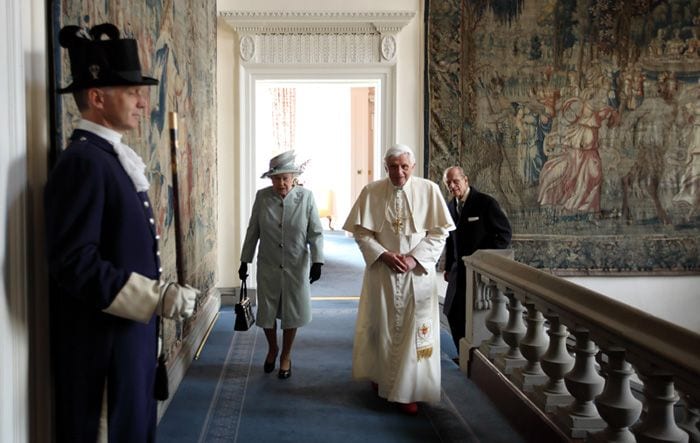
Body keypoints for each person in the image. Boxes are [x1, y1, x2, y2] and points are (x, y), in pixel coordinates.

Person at [45, 23, 199, 442]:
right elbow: (73, 262)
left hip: (128, 340)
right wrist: (157, 296)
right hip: (101, 350)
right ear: (97, 97)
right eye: (131, 92)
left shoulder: (108, 159)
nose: (143, 101)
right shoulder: (84, 163)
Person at [342, 144, 454, 415]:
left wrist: (414, 258)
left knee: (415, 333)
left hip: (417, 275)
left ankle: (408, 391)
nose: (399, 172)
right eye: (393, 166)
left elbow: (439, 233)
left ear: (412, 167)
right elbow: (362, 233)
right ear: (386, 167)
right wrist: (383, 254)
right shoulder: (371, 192)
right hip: (383, 274)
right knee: (380, 326)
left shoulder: (429, 190)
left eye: (404, 166)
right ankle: (380, 376)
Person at [239, 150, 324, 379]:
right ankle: (272, 348)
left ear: (293, 177)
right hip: (268, 264)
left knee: (291, 311)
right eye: (276, 178)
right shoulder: (262, 197)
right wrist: (244, 260)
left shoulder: (306, 198)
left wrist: (318, 261)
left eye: (285, 178)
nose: (281, 183)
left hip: (296, 265)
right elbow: (252, 231)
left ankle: (285, 355)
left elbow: (315, 232)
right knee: (267, 311)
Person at [442, 166, 512, 355]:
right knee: (451, 312)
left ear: (466, 180)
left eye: (456, 181)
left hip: (478, 271)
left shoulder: (485, 203)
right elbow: (450, 240)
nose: (452, 185)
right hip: (458, 272)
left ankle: (472, 358)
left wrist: (484, 258)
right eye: (448, 183)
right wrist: (448, 268)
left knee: (473, 316)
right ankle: (461, 354)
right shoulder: (450, 207)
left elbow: (504, 234)